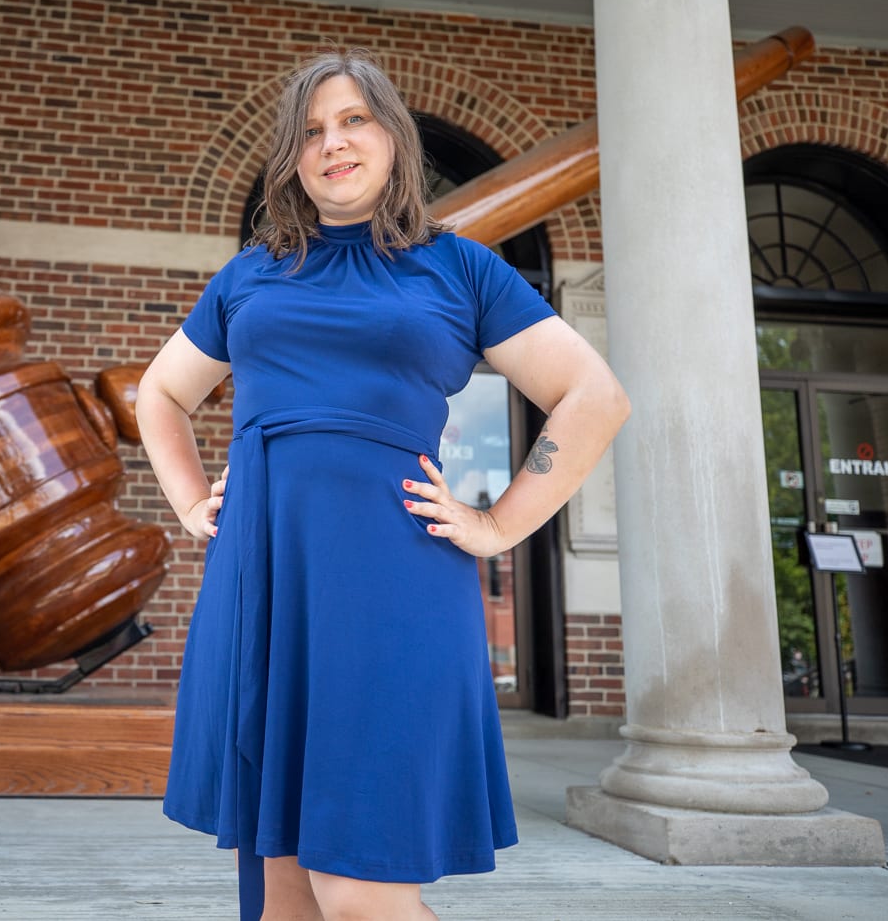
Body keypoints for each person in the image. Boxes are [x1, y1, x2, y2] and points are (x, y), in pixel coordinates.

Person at [136, 48, 630, 921]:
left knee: (359, 890)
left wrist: (499, 524)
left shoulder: (459, 268)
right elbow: (162, 393)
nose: (334, 143)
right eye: (313, 130)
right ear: (293, 158)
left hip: (396, 588)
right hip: (264, 587)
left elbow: (593, 395)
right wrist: (188, 502)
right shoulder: (250, 273)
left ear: (393, 138)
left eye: (354, 120)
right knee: (285, 891)